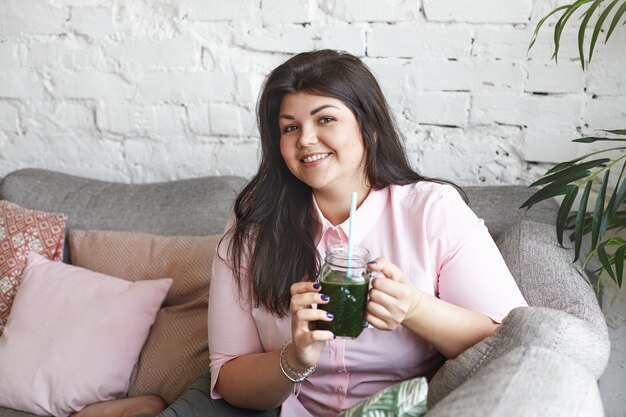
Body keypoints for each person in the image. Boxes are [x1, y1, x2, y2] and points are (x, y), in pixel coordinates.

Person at [208, 49, 527, 417]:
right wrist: (294, 357)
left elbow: (511, 340)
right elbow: (229, 376)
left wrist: (415, 307)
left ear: (370, 128)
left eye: (325, 119)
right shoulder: (255, 221)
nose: (306, 139)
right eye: (290, 127)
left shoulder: (431, 209)